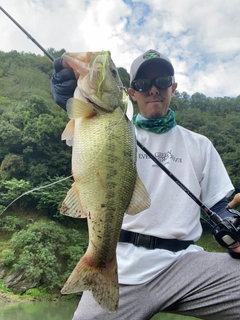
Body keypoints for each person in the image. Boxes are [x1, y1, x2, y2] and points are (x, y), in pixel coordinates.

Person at [51, 49, 240, 320]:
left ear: (173, 88)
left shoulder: (200, 144)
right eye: (143, 84)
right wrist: (67, 94)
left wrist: (233, 228)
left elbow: (220, 205)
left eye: (162, 81)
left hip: (186, 265)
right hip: (121, 263)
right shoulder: (113, 125)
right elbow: (78, 125)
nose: (153, 89)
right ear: (131, 92)